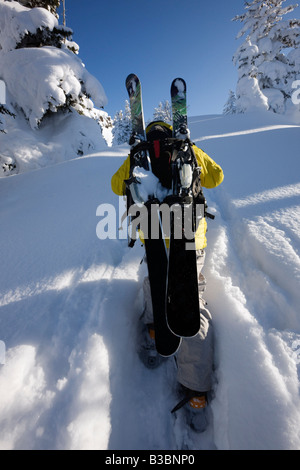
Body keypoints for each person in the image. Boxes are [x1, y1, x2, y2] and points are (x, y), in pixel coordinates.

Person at [111, 120, 224, 432]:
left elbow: (114, 185)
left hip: (155, 239)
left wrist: (134, 156)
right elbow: (217, 176)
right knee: (189, 298)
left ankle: (154, 333)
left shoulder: (138, 157)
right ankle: (196, 391)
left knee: (156, 283)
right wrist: (192, 151)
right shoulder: (187, 151)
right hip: (189, 240)